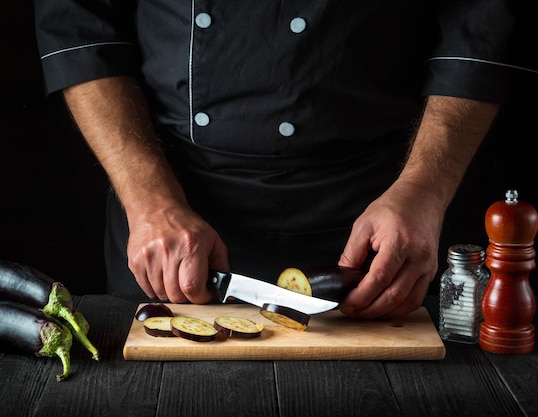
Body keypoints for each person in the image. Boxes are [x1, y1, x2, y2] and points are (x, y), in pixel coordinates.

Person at [34, 1, 516, 319]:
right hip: (170, 219)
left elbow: (480, 23)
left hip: (378, 213)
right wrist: (148, 201)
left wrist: (424, 191)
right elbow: (79, 22)